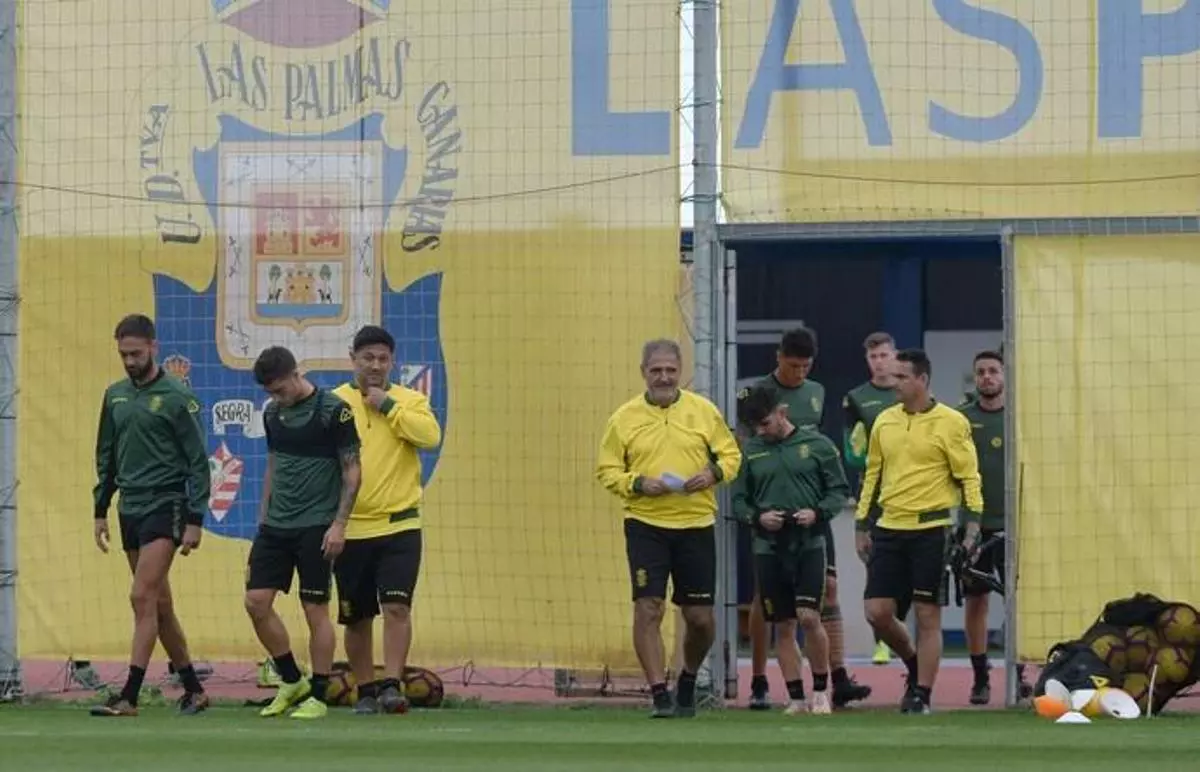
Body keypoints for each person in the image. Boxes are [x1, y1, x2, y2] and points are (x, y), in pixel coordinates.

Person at [596, 339, 741, 718]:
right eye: (656, 370)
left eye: (670, 370)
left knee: (700, 618)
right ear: (643, 372)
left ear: (681, 371)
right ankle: (659, 694)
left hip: (696, 524)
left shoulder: (704, 412)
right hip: (645, 524)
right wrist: (637, 483)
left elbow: (731, 455)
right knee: (649, 608)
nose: (664, 377)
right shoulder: (623, 418)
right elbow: (607, 470)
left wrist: (713, 473)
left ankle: (688, 680)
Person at [742, 328, 870, 711]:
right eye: (793, 366)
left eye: (806, 366)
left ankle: (835, 677)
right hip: (770, 508)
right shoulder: (756, 394)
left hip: (809, 510)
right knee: (766, 601)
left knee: (826, 590)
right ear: (778, 357)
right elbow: (745, 449)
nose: (799, 373)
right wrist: (757, 511)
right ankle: (760, 679)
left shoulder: (817, 392)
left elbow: (824, 462)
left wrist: (818, 507)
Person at [90, 314, 211, 717]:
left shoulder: (178, 396)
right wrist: (100, 509)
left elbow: (198, 462)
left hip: (166, 504)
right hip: (130, 507)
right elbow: (106, 455)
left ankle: (129, 695)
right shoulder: (115, 396)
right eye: (123, 354)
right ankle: (194, 689)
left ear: (153, 348)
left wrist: (195, 519)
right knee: (159, 604)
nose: (129, 361)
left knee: (141, 595)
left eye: (136, 354)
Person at [854, 348, 983, 715]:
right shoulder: (884, 421)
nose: (892, 382)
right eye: (892, 376)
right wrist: (861, 523)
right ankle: (913, 662)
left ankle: (921, 695)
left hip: (932, 529)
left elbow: (969, 477)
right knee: (877, 612)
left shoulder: (952, 422)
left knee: (927, 615)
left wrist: (971, 528)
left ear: (922, 380)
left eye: (901, 377)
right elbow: (873, 475)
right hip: (888, 527)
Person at [245, 346, 362, 720]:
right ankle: (292, 679)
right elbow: (273, 465)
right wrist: (263, 519)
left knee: (315, 609)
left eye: (280, 389)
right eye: (269, 392)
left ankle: (319, 695)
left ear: (296, 374)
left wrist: (339, 524)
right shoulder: (272, 414)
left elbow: (352, 471)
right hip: (275, 526)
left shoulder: (333, 411)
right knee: (255, 602)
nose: (276, 397)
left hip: (316, 525)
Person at [332, 325, 442, 715]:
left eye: (383, 359)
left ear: (392, 362)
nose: (375, 366)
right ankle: (365, 690)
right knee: (357, 618)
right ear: (353, 359)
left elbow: (430, 436)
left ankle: (392, 685)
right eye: (368, 358)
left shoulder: (410, 400)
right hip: (353, 528)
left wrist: (389, 407)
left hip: (400, 525)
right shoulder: (334, 402)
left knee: (397, 608)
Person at [733, 385, 851, 715]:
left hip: (809, 542)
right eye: (755, 426)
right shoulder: (752, 451)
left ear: (782, 413)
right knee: (783, 625)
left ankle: (821, 691)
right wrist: (758, 517)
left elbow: (839, 490)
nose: (761, 431)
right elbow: (739, 500)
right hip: (768, 547)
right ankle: (796, 697)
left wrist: (817, 513)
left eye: (766, 423)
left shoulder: (818, 445)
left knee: (809, 617)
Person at [956, 349, 1030, 704]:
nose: (987, 377)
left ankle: (1020, 673)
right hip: (975, 526)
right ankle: (980, 676)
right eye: (981, 372)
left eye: (993, 371)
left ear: (1004, 375)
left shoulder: (1020, 414)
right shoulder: (961, 419)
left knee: (1020, 602)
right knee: (976, 602)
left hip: (1016, 525)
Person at [842, 331, 901, 666]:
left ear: (895, 356)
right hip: (875, 494)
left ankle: (903, 635)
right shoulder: (856, 398)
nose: (879, 362)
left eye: (884, 355)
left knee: (909, 567)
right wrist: (873, 458)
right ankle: (882, 641)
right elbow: (852, 452)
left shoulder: (907, 390)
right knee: (876, 566)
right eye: (873, 357)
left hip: (912, 491)